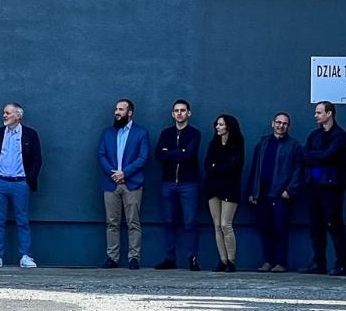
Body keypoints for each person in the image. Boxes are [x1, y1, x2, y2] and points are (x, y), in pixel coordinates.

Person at [0, 102, 42, 268]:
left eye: (8, 113)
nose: (4, 115)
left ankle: (26, 256)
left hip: (20, 183)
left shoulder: (30, 134)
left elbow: (37, 159)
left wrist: (29, 181)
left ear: (18, 116)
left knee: (22, 221)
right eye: (4, 112)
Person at [246, 111, 303, 272]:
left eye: (284, 123)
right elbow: (255, 168)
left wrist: (290, 190)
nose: (281, 126)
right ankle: (268, 261)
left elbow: (299, 170)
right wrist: (252, 191)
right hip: (262, 194)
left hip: (281, 195)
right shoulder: (263, 144)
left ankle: (280, 262)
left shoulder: (294, 146)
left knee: (280, 228)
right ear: (273, 124)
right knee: (265, 228)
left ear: (288, 126)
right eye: (278, 122)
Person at [97, 97, 150, 269]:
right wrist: (113, 174)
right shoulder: (108, 133)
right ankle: (112, 257)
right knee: (111, 222)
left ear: (130, 112)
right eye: (116, 109)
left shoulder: (141, 133)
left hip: (132, 183)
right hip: (111, 183)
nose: (117, 112)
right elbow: (101, 155)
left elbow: (143, 157)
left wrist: (124, 173)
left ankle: (134, 258)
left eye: (121, 109)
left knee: (133, 222)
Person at [301, 101, 346, 275]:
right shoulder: (314, 135)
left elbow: (329, 155)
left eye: (319, 112)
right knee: (315, 226)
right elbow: (305, 155)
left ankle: (341, 265)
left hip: (331, 188)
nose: (316, 115)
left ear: (329, 114)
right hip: (314, 185)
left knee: (334, 225)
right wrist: (317, 156)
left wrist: (314, 156)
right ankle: (318, 263)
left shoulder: (339, 135)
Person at [153, 99, 202, 271]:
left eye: (182, 110)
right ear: (172, 114)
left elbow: (189, 155)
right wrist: (178, 152)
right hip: (168, 183)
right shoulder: (166, 133)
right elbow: (158, 155)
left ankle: (192, 258)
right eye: (176, 110)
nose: (179, 113)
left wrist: (170, 152)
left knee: (190, 222)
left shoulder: (195, 133)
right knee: (169, 221)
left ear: (189, 113)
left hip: (188, 184)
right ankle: (170, 258)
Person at [204, 113, 245, 272]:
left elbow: (234, 166)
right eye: (217, 124)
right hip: (213, 188)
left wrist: (217, 166)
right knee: (217, 226)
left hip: (230, 188)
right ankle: (222, 260)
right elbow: (208, 165)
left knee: (225, 224)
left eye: (221, 124)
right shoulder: (213, 143)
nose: (217, 127)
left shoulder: (237, 144)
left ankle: (231, 261)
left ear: (229, 126)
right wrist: (218, 167)